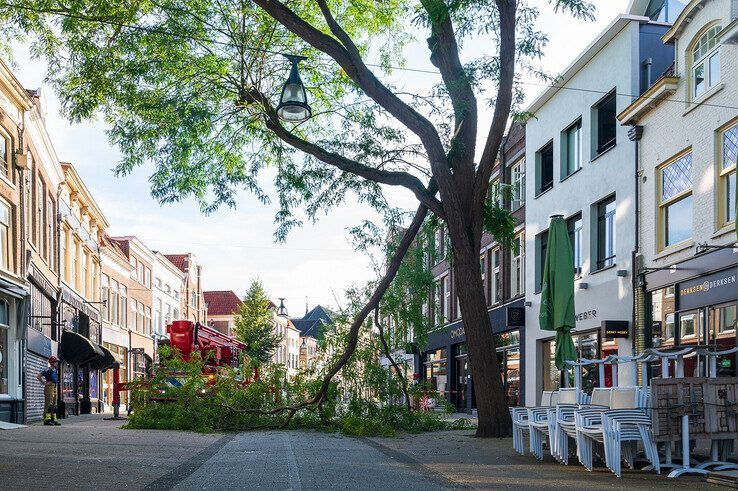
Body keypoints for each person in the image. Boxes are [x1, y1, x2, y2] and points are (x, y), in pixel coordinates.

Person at [36, 356, 60, 426]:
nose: (57, 363)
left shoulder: (55, 370)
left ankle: (53, 419)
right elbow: (38, 376)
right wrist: (44, 383)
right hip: (49, 387)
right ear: (52, 363)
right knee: (48, 404)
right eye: (55, 362)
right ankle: (46, 420)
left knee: (54, 404)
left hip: (55, 387)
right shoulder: (47, 370)